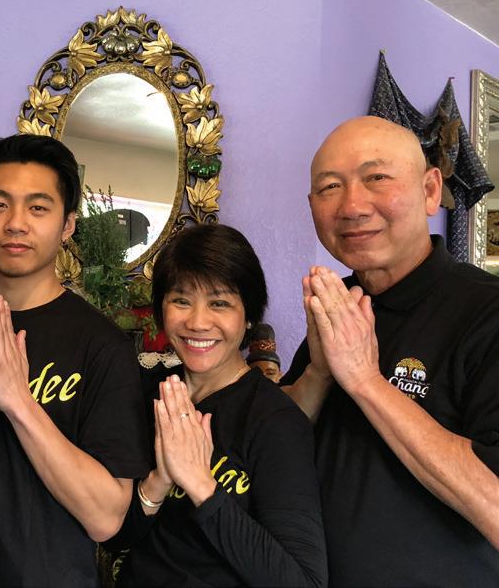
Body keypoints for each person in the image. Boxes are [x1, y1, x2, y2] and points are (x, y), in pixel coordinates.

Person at [282, 115, 499, 585]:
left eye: (377, 177)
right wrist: (318, 374)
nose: (352, 206)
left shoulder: (486, 311)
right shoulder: (340, 303)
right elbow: (276, 441)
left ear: (430, 190)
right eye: (329, 187)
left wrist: (365, 381)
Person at [0, 134, 152, 587]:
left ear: (67, 224)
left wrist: (19, 403)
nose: (16, 223)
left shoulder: (102, 345)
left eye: (37, 207)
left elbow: (106, 517)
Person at [105, 223, 327, 587]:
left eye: (219, 303)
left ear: (249, 315)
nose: (197, 322)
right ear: (161, 310)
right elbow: (115, 538)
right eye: (181, 300)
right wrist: (159, 481)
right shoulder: (146, 392)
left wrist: (200, 484)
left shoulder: (275, 421)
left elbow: (302, 581)